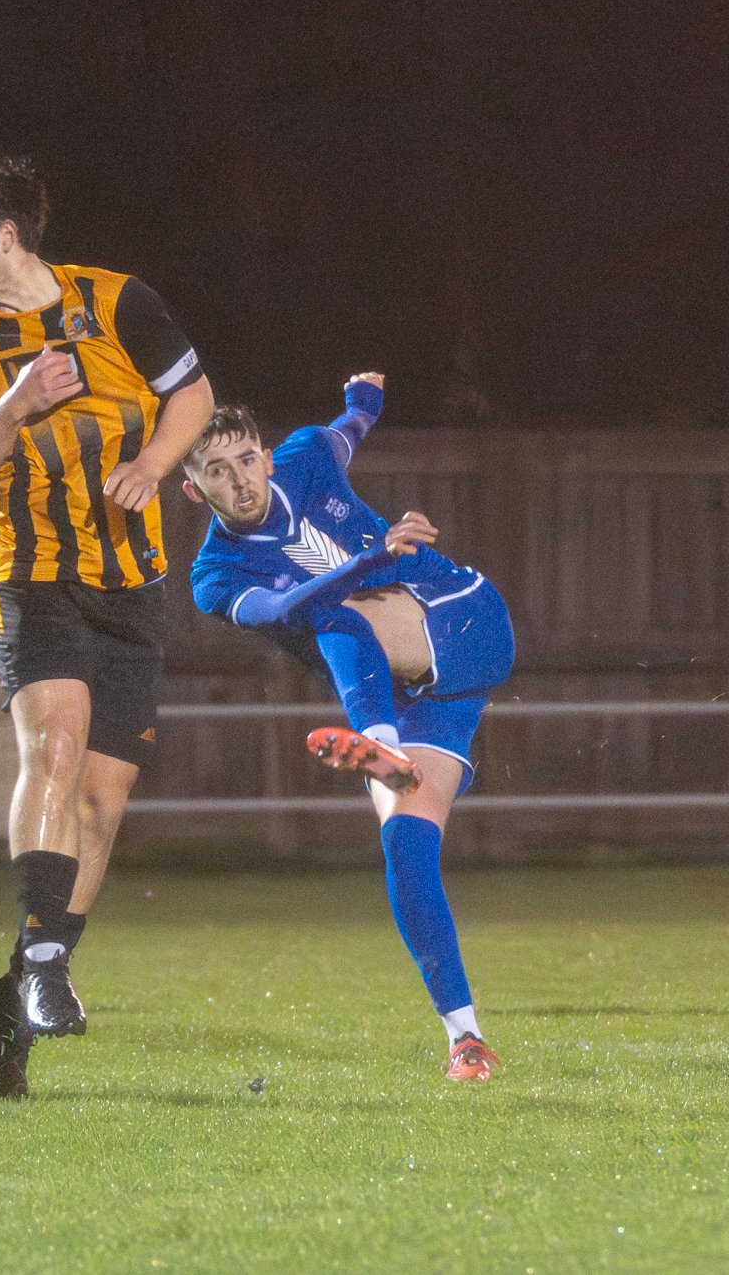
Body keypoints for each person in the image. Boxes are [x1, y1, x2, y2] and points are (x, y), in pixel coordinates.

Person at [0, 157, 215, 1097]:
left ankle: (19, 988)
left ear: (5, 232)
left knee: (103, 802)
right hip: (31, 570)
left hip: (130, 577)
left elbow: (194, 398)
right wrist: (17, 402)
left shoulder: (118, 303)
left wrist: (157, 464)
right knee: (56, 745)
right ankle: (45, 965)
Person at [183, 375, 515, 1080]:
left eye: (246, 459)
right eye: (216, 470)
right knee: (406, 845)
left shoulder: (305, 456)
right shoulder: (215, 573)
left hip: (462, 614)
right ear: (194, 489)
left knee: (339, 613)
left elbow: (345, 430)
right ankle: (466, 1038)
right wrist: (371, 557)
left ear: (267, 456)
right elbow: (276, 613)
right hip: (419, 690)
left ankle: (381, 746)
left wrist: (365, 401)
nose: (238, 479)